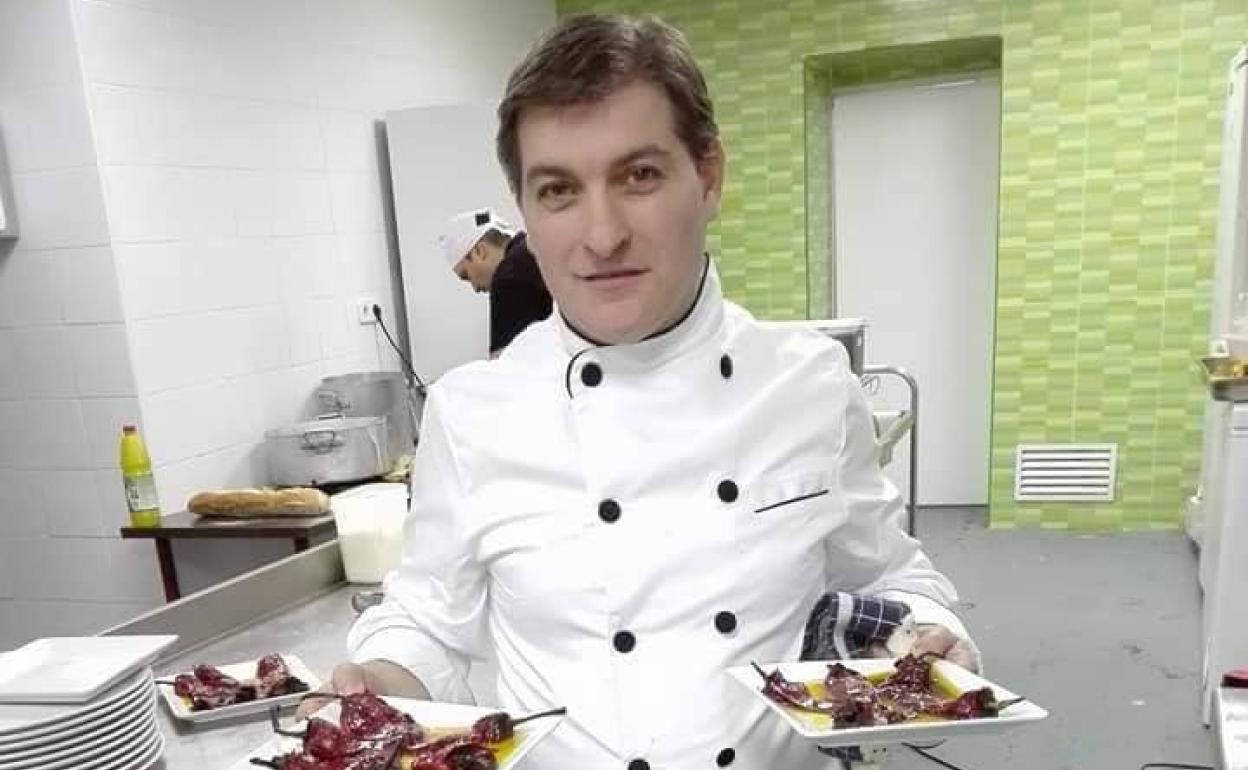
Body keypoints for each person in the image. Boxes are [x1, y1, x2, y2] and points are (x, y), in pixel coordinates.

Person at [306, 14, 979, 770]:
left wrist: (929, 635)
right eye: (558, 190)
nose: (602, 236)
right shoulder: (471, 413)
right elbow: (429, 619)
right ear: (525, 210)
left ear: (709, 176)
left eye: (639, 176)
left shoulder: (810, 383)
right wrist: (377, 684)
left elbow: (888, 576)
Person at [440, 208, 553, 356]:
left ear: (480, 251)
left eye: (466, 275)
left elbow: (506, 363)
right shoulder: (535, 250)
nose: (475, 288)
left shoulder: (508, 277)